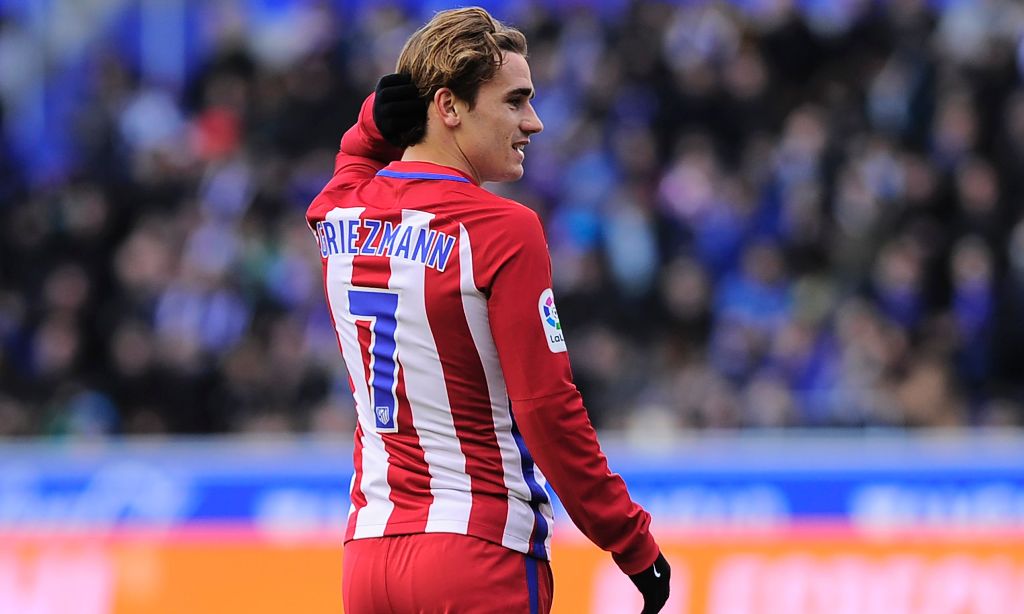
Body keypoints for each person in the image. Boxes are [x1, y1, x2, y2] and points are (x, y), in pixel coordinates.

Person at [306, 7, 670, 613]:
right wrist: (631, 542)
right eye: (514, 101)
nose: (534, 122)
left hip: (369, 557)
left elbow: (350, 164)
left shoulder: (338, 214)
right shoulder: (504, 229)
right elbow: (547, 411)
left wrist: (375, 121)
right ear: (448, 107)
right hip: (478, 554)